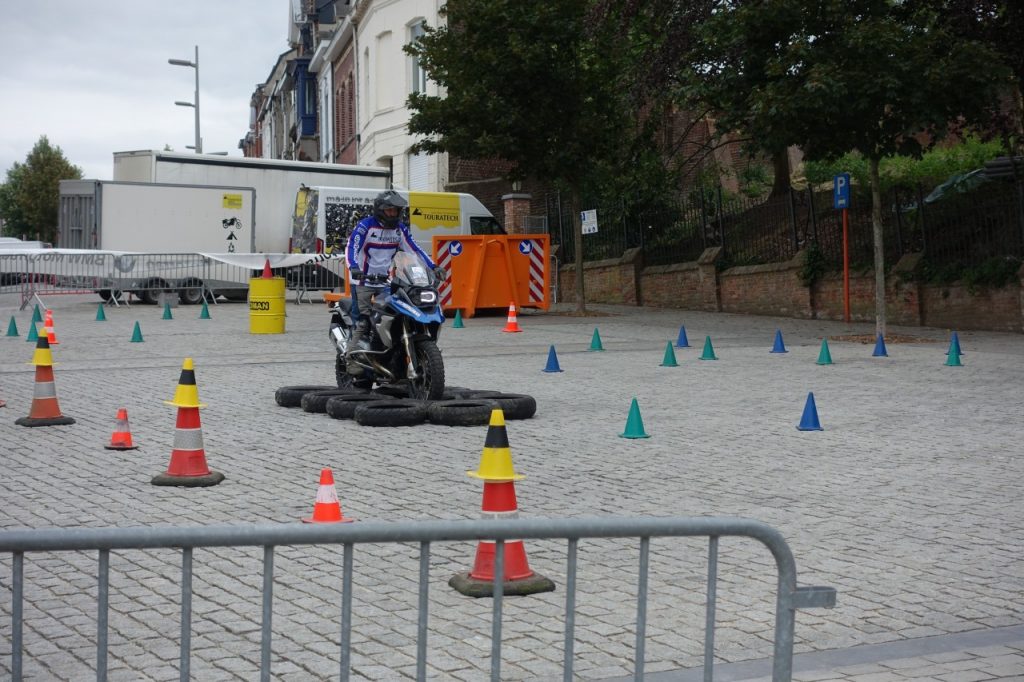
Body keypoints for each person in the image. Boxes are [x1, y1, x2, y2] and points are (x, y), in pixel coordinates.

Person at [344, 190, 444, 374]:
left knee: (394, 313)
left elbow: (414, 249)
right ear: (380, 210)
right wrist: (354, 268)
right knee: (364, 321)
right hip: (362, 280)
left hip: (385, 281)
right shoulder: (365, 226)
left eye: (396, 211)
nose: (393, 214)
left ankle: (394, 351)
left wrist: (433, 266)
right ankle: (351, 358)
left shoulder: (400, 229)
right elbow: (352, 247)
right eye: (390, 210)